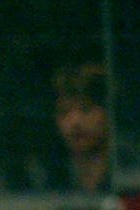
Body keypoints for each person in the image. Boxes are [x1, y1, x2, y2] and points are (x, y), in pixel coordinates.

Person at [46, 62, 111, 194]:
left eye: (85, 110)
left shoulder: (130, 166)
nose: (75, 122)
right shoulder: (49, 177)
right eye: (64, 112)